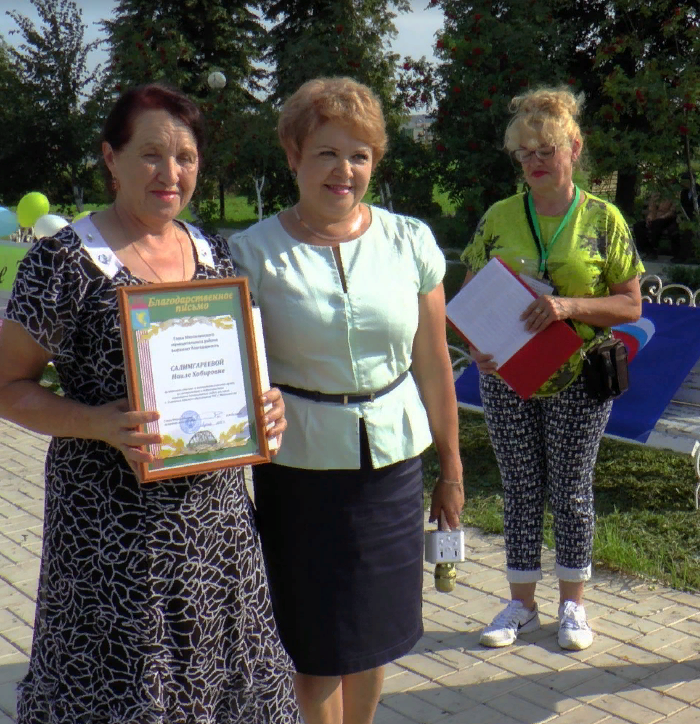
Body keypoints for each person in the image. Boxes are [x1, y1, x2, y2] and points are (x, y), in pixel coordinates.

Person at [0, 84, 299, 723]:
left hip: (216, 534)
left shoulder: (213, 254)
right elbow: (3, 388)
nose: (170, 173)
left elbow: (236, 372)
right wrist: (96, 423)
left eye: (185, 157)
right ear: (111, 157)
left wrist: (265, 410)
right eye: (151, 154)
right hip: (111, 540)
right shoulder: (63, 262)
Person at [228, 77, 464, 724]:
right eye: (327, 152)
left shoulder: (409, 241)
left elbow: (433, 362)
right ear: (293, 156)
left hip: (390, 469)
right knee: (315, 647)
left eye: (359, 154)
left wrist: (451, 468)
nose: (344, 170)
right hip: (300, 475)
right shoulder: (250, 255)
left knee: (371, 636)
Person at [461, 88, 644, 652]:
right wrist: (476, 346)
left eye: (547, 150)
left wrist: (568, 307)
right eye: (525, 154)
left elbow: (631, 304)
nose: (536, 162)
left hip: (578, 375)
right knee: (518, 486)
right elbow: (470, 294)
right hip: (507, 375)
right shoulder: (499, 217)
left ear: (574, 148)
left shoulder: (602, 219)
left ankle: (573, 607)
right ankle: (520, 604)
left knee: (569, 488)